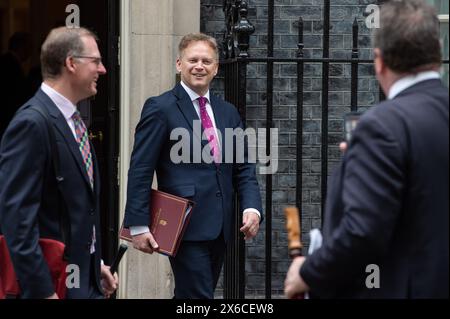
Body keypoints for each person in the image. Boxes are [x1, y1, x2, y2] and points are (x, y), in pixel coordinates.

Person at [284, 0, 448, 299]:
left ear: (379, 61)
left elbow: (362, 233)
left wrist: (307, 272)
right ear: (438, 51)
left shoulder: (381, 127)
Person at [124, 33, 263, 299]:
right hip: (183, 226)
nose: (199, 66)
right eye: (193, 60)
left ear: (216, 68)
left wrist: (252, 207)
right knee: (199, 298)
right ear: (179, 64)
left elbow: (243, 168)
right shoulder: (160, 108)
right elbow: (141, 169)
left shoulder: (228, 112)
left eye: (206, 61)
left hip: (221, 225)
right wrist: (138, 225)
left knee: (192, 296)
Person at [0, 27, 118, 299]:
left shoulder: (73, 120)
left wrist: (93, 265)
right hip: (54, 287)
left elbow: (77, 208)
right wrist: (42, 291)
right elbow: (18, 222)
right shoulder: (31, 123)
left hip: (82, 279)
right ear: (71, 63)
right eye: (96, 61)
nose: (103, 70)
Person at [0, 32, 32, 139]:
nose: (29, 51)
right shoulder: (10, 64)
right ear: (20, 46)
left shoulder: (8, 62)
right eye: (28, 46)